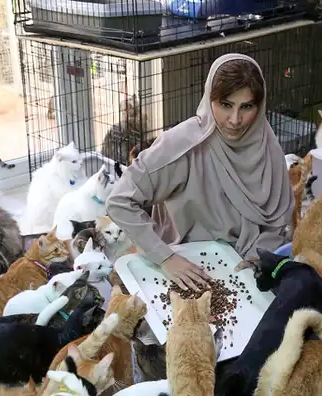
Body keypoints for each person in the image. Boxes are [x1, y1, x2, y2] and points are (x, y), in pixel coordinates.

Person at [106, 53, 293, 291]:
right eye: (226, 105)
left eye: (246, 106)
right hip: (189, 271)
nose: (235, 119)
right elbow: (120, 201)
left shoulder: (268, 148)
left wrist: (256, 258)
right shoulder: (184, 145)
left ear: (260, 105)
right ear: (209, 99)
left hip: (248, 273)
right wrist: (165, 257)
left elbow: (277, 223)